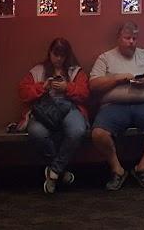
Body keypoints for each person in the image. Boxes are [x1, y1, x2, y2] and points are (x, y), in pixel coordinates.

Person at [89, 22, 144, 190]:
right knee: (98, 134)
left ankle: (141, 168)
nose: (131, 42)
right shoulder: (105, 58)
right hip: (114, 106)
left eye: (134, 38)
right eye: (127, 38)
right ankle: (118, 170)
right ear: (119, 38)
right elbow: (93, 84)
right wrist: (117, 79)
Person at [18, 37, 90, 194]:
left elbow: (84, 93)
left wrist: (67, 87)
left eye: (62, 55)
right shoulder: (38, 71)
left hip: (69, 107)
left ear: (67, 56)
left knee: (77, 130)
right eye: (55, 55)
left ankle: (54, 171)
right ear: (49, 53)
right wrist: (42, 87)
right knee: (37, 132)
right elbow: (23, 92)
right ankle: (59, 172)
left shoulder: (75, 71)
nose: (58, 59)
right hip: (44, 109)